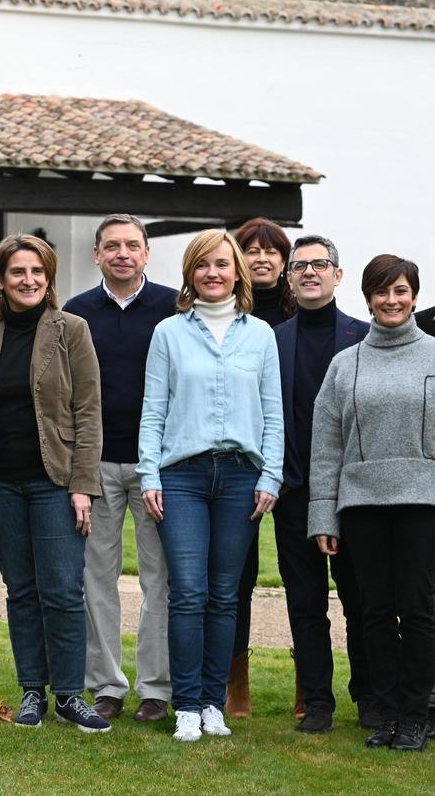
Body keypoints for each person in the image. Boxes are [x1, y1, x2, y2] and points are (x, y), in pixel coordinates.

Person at [0, 234, 107, 732]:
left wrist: (82, 484)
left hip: (55, 482)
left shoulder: (72, 331)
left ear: (49, 278)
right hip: (1, 484)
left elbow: (88, 412)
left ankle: (69, 694)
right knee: (21, 591)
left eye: (38, 272)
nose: (29, 280)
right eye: (18, 272)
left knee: (62, 591)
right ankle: (32, 693)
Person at [138, 229, 283, 742]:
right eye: (203, 265)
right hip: (183, 478)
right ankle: (186, 705)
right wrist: (148, 473)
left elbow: (273, 414)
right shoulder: (169, 333)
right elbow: (153, 411)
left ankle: (212, 704)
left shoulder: (261, 335)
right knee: (189, 592)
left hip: (243, 478)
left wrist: (272, 475)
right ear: (190, 274)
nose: (213, 273)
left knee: (224, 595)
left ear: (237, 273)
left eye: (223, 264)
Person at [309, 254, 435, 752]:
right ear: (367, 298)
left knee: (420, 610)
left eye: (400, 291)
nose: (391, 300)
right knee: (374, 612)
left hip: (423, 503)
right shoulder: (345, 364)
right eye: (382, 292)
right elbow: (327, 446)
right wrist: (324, 513)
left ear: (414, 296)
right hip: (361, 505)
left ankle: (416, 712)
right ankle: (383, 710)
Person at [63, 214, 176, 724]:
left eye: (132, 245)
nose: (123, 253)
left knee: (162, 580)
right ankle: (106, 684)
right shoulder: (76, 314)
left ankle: (157, 687)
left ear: (147, 253)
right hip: (97, 464)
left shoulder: (176, 307)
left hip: (160, 466)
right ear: (97, 255)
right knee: (95, 581)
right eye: (112, 246)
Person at [271, 235, 370, 734]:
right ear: (289, 278)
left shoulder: (366, 337)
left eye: (320, 264)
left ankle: (370, 699)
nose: (310, 272)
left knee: (362, 602)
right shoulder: (272, 340)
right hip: (294, 494)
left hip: (355, 495)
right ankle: (317, 703)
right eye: (300, 265)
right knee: (305, 604)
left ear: (338, 274)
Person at [228, 216, 296, 717]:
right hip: (239, 463)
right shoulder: (226, 321)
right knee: (238, 576)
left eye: (272, 251)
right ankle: (236, 683)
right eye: (251, 250)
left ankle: (308, 682)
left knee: (302, 575)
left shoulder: (306, 318)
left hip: (296, 466)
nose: (262, 259)